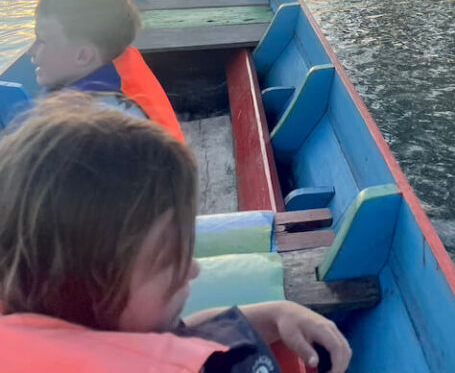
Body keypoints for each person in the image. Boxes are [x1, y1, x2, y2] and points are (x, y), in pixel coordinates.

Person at [0, 95, 352, 372]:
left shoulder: (61, 317)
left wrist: (274, 314)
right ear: (71, 284)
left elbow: (157, 336)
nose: (194, 269)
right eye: (169, 258)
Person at [32, 0, 184, 140]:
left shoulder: (99, 125)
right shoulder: (111, 72)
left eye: (41, 41)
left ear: (83, 56)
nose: (31, 50)